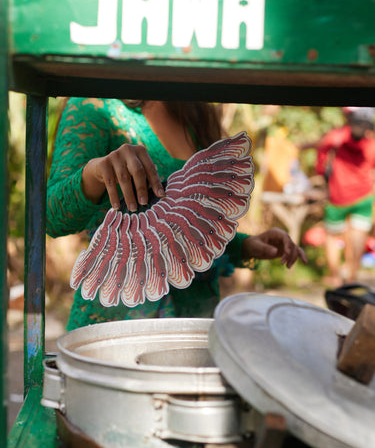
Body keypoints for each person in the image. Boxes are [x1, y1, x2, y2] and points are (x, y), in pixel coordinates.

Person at [47, 98, 307, 331]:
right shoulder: (95, 109)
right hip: (117, 331)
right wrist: (94, 174)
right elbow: (51, 217)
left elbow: (181, 231)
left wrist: (244, 246)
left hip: (193, 327)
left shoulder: (193, 109)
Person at [314, 107, 375, 287]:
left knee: (332, 236)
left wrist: (324, 173)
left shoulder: (336, 137)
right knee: (358, 236)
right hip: (363, 195)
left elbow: (321, 159)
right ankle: (352, 277)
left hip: (337, 196)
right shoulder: (371, 143)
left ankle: (335, 276)